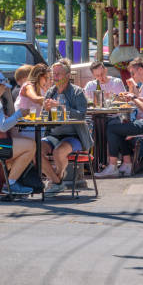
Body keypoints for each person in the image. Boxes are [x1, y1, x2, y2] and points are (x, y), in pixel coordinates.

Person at [41, 58, 93, 195]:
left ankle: (56, 179)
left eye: (58, 74)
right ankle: (57, 182)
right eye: (53, 74)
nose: (55, 77)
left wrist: (61, 107)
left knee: (58, 152)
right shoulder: (50, 92)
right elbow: (43, 117)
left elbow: (81, 115)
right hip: (53, 135)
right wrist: (45, 110)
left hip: (74, 136)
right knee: (35, 151)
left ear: (68, 76)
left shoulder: (77, 92)